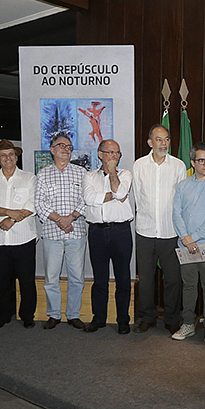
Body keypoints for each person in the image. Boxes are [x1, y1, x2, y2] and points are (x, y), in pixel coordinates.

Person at [132, 125, 187, 334]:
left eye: (166, 139)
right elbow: (137, 197)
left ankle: (172, 318)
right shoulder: (139, 165)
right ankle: (148, 317)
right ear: (150, 143)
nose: (163, 143)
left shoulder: (178, 165)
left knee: (173, 278)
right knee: (146, 278)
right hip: (145, 231)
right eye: (159, 139)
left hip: (170, 232)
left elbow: (182, 200)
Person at [171, 142, 205, 343]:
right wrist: (185, 239)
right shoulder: (182, 185)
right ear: (193, 162)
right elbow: (176, 213)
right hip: (185, 245)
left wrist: (192, 238)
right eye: (202, 160)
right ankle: (188, 324)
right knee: (189, 286)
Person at [0, 139, 37, 329]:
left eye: (11, 154)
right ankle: (2, 315)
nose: (8, 158)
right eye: (3, 155)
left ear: (17, 157)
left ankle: (27, 315)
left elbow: (32, 204)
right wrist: (8, 212)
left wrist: (13, 219)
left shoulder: (29, 178)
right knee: (0, 280)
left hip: (24, 237)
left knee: (26, 279)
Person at [35, 133, 88, 330]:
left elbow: (86, 200)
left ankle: (73, 314)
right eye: (61, 145)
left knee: (76, 277)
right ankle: (54, 314)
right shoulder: (43, 174)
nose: (66, 149)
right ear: (52, 150)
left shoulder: (82, 173)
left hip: (76, 232)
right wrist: (59, 220)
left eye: (69, 146)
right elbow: (39, 203)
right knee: (51, 277)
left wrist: (70, 218)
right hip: (51, 233)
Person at [82, 140, 133, 335]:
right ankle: (99, 318)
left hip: (120, 232)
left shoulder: (125, 174)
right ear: (100, 154)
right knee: (100, 278)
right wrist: (111, 194)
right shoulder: (89, 176)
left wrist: (113, 174)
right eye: (110, 152)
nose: (114, 156)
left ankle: (123, 320)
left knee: (123, 278)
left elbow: (120, 193)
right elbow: (89, 199)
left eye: (117, 153)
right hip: (96, 232)